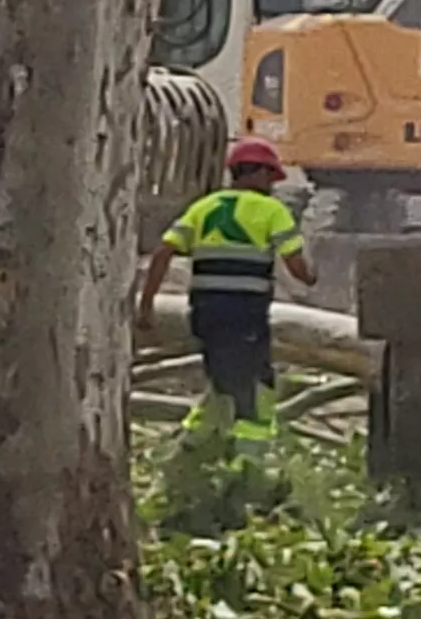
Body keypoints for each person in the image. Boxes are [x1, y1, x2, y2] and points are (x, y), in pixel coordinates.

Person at [134, 137, 318, 442]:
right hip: (245, 312)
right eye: (270, 175)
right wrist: (312, 277)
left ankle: (192, 449)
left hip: (205, 312)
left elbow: (163, 253)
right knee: (254, 386)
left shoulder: (204, 207)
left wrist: (146, 307)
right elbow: (297, 267)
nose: (272, 184)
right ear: (257, 173)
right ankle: (248, 459)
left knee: (220, 379)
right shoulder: (271, 211)